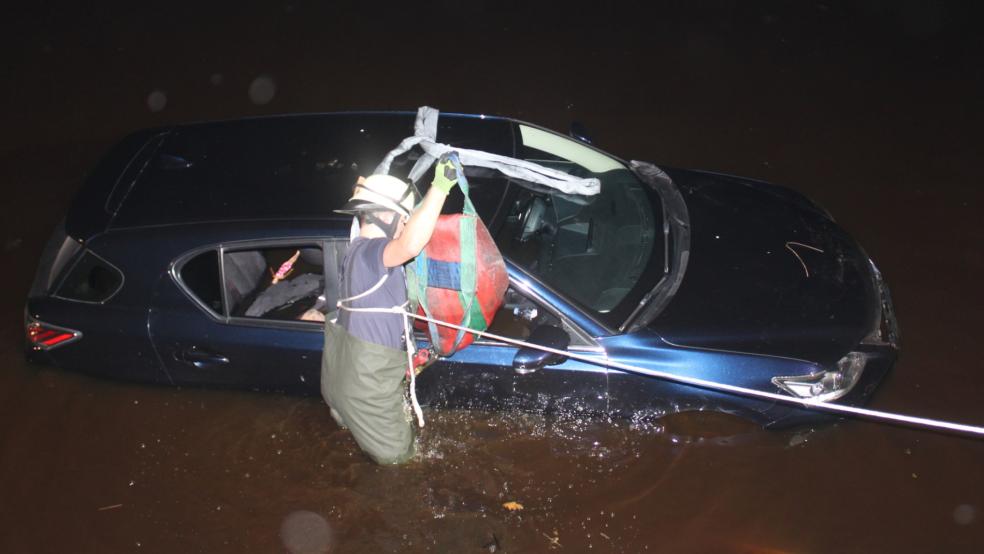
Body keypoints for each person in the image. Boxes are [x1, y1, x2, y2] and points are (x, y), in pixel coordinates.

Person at [321, 154, 459, 464]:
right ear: (386, 215)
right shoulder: (372, 253)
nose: (407, 224)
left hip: (340, 378)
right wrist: (440, 187)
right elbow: (411, 245)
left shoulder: (355, 249)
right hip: (366, 389)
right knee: (401, 461)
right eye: (405, 217)